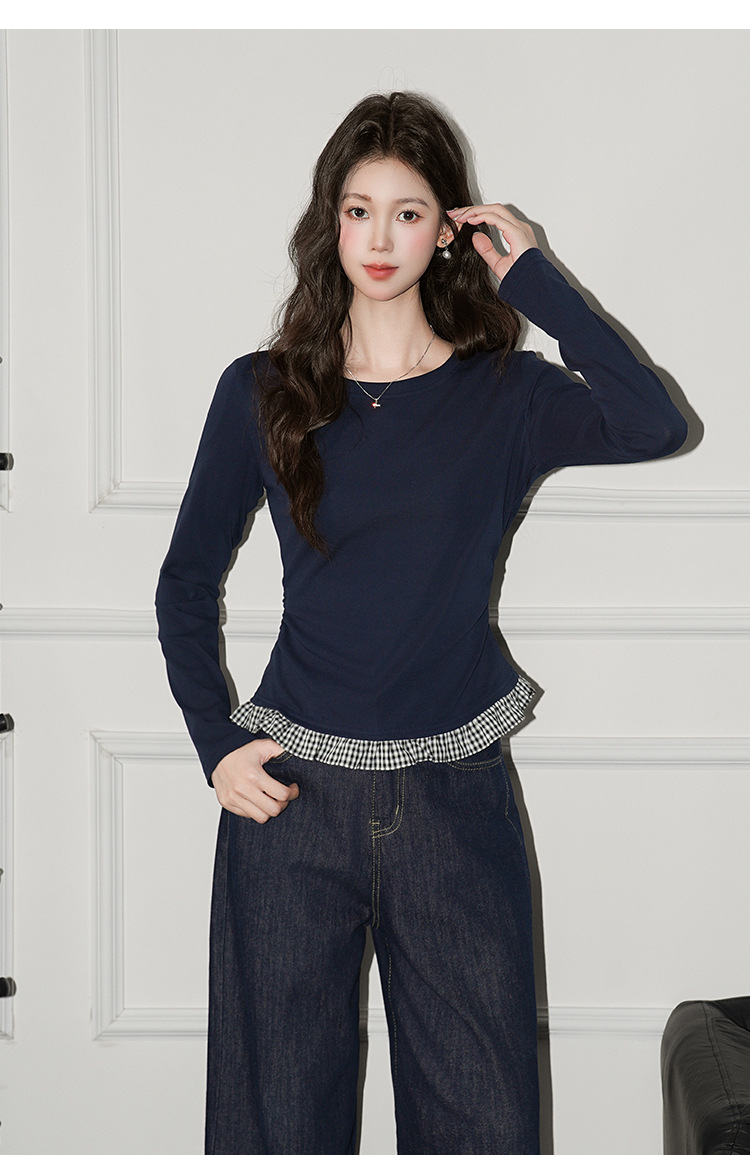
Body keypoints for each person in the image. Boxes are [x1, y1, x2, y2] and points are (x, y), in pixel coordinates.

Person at [155, 91, 687, 1155]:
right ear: (331, 221)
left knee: (484, 1123)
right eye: (359, 210)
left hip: (456, 799)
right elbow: (184, 582)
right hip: (289, 804)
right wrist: (216, 742)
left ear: (448, 229)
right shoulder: (263, 392)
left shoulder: (509, 395)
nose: (380, 237)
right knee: (273, 1125)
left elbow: (654, 421)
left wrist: (536, 277)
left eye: (409, 213)